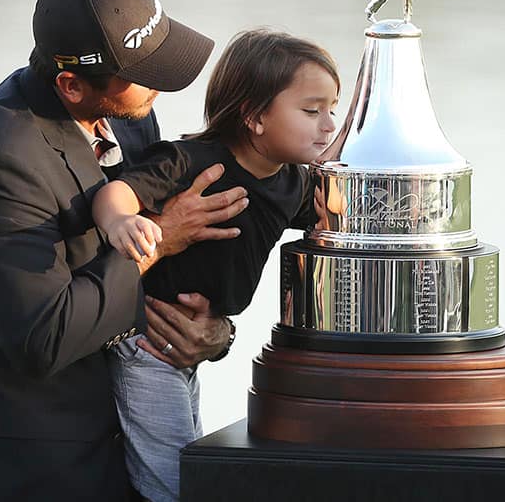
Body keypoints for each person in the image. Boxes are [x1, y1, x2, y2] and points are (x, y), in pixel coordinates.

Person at [0, 0, 248, 501]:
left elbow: (153, 281)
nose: (161, 84)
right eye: (144, 73)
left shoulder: (127, 111)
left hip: (132, 453)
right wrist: (160, 242)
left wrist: (214, 334)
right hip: (34, 473)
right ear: (71, 85)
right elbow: (42, 339)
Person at [92, 28, 340, 502]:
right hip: (148, 344)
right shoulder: (192, 162)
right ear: (254, 116)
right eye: (311, 111)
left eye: (331, 108)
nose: (328, 124)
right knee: (172, 479)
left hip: (191, 346)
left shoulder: (292, 181)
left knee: (191, 460)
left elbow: (339, 210)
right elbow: (117, 191)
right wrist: (121, 221)